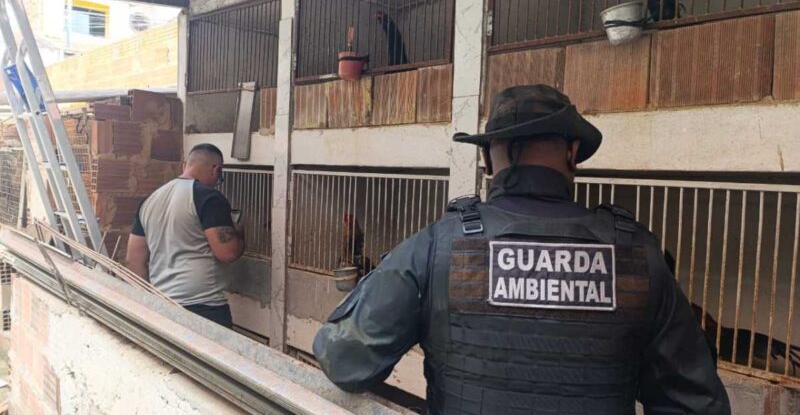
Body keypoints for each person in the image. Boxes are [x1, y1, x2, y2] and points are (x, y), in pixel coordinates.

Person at [313, 85, 731, 414]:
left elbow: (347, 360)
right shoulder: (637, 253)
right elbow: (695, 404)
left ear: (486, 159)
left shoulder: (437, 245)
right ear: (572, 153)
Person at [126, 143, 245, 328]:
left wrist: (148, 304)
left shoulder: (150, 200)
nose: (217, 181)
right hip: (204, 308)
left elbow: (133, 261)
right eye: (219, 176)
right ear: (216, 170)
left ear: (186, 165)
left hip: (162, 304)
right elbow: (227, 253)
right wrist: (240, 232)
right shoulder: (210, 198)